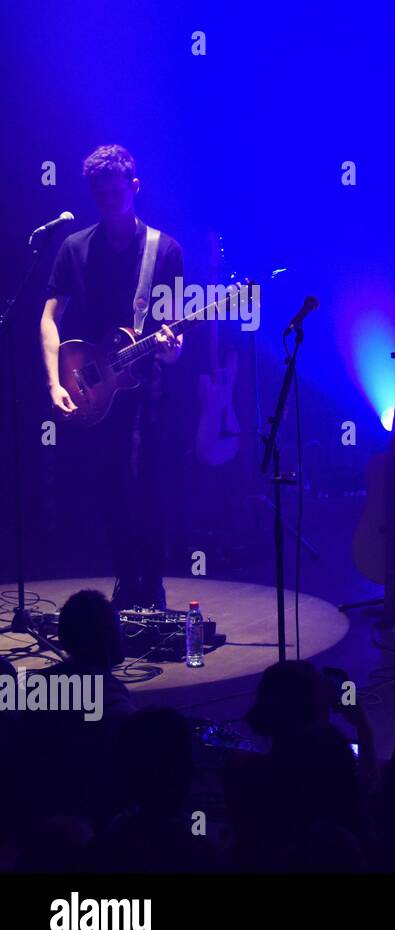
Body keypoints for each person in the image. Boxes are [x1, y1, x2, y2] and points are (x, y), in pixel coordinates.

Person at [40, 145, 185, 610]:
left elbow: (175, 338)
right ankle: (125, 581)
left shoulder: (164, 250)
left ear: (134, 187)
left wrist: (169, 351)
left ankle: (153, 584)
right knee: (110, 488)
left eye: (115, 193)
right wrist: (54, 382)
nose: (108, 202)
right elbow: (48, 318)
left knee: (150, 487)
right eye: (99, 195)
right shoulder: (74, 247)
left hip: (148, 391)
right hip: (94, 388)